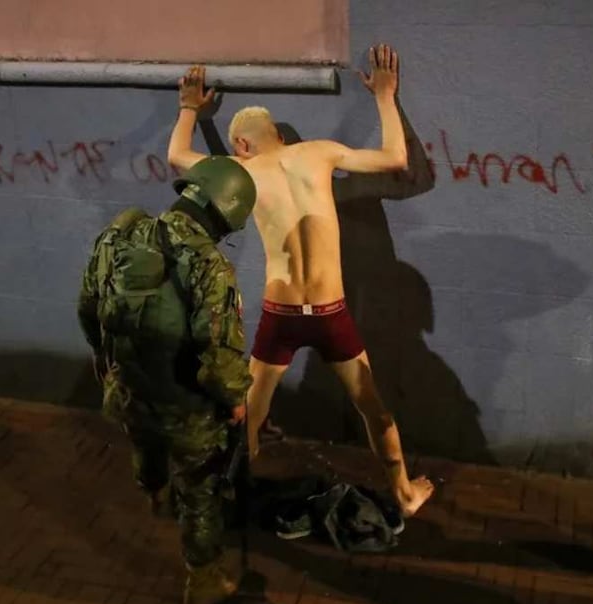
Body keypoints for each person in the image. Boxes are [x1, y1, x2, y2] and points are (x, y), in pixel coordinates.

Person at [167, 44, 435, 518]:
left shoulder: (240, 171)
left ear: (242, 145)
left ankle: (228, 501)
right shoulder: (320, 153)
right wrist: (385, 95)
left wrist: (191, 108)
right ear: (277, 135)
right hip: (331, 313)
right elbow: (398, 160)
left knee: (249, 416)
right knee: (373, 408)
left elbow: (176, 156)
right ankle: (405, 495)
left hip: (282, 314)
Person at [77, 155, 257, 604]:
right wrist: (237, 402)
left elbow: (87, 306)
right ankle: (203, 585)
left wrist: (104, 361)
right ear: (223, 213)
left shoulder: (119, 237)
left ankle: (153, 489)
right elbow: (218, 358)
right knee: (200, 494)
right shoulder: (210, 265)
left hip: (129, 393)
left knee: (145, 444)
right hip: (187, 412)